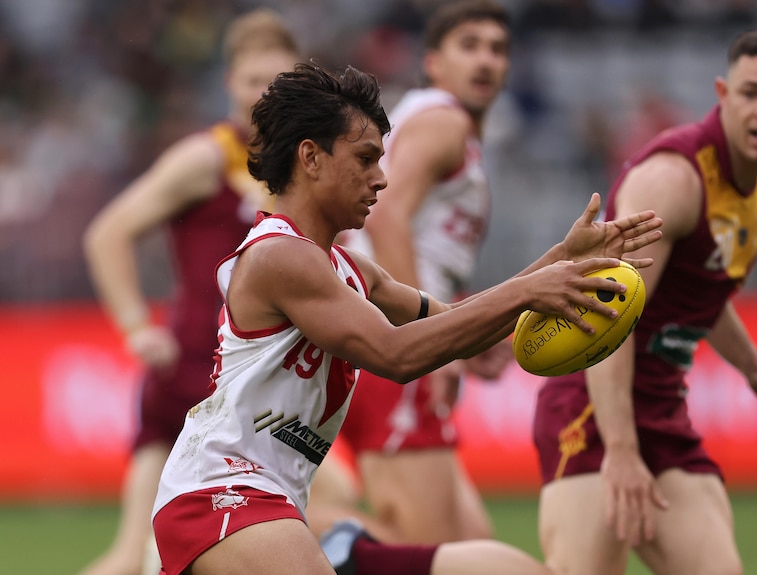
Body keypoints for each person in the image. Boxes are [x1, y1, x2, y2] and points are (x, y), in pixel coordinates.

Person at [151, 61, 662, 575]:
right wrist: (531, 290)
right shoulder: (282, 257)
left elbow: (456, 327)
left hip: (267, 495)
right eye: (366, 159)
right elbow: (397, 354)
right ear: (310, 157)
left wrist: (558, 264)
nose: (381, 179)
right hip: (222, 491)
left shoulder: (351, 270)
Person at [532, 28, 757, 575]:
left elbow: (701, 293)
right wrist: (619, 449)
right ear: (723, 94)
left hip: (662, 407)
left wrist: (756, 371)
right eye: (751, 92)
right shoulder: (672, 180)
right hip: (594, 408)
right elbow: (605, 311)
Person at [80, 10, 300, 575]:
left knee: (138, 557)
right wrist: (134, 326)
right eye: (254, 81)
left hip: (250, 385)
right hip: (193, 378)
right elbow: (107, 234)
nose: (264, 96)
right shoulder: (204, 158)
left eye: (279, 84)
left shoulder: (297, 166)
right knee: (154, 555)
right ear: (230, 82)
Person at [308, 0, 514, 545]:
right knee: (428, 553)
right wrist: (429, 337)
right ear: (434, 62)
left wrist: (469, 334)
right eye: (469, 46)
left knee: (473, 549)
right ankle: (256, 534)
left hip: (381, 327)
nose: (486, 60)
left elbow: (424, 244)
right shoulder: (444, 122)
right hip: (393, 340)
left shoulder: (436, 124)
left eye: (497, 49)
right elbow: (390, 214)